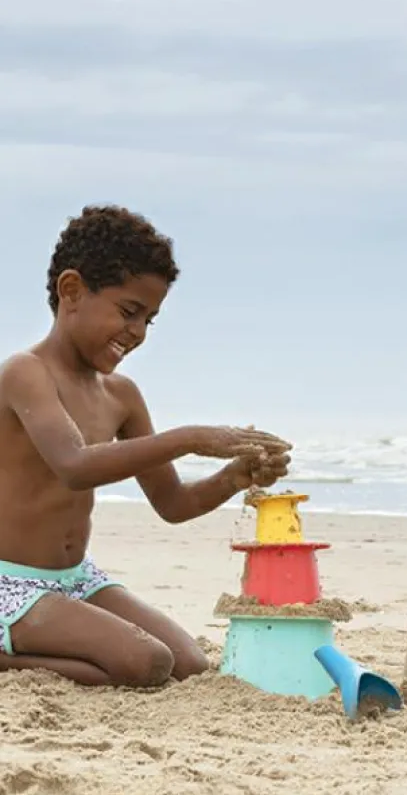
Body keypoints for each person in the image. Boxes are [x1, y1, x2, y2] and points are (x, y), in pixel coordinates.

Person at [0, 205, 292, 687]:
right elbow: (74, 465)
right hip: (10, 583)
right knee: (146, 662)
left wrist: (233, 477)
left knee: (189, 664)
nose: (136, 333)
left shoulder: (121, 395)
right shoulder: (25, 374)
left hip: (76, 579)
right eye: (128, 312)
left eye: (149, 321)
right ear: (71, 290)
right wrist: (193, 437)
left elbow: (173, 505)